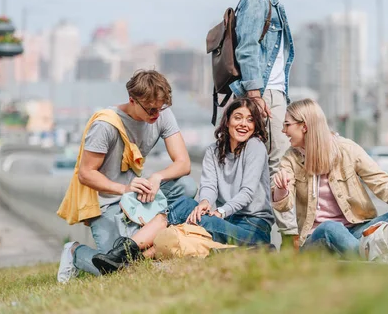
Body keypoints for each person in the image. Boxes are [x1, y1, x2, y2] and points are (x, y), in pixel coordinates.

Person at [91, 97, 275, 274]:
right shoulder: (214, 150)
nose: (244, 124)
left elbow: (247, 192)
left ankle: (122, 253)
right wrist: (204, 202)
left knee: (185, 207)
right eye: (238, 117)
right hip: (225, 222)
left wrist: (220, 212)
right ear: (227, 122)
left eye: (250, 120)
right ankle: (128, 265)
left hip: (253, 228)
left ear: (255, 126)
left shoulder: (255, 146)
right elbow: (209, 186)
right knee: (184, 225)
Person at [56, 70, 197, 282]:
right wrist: (124, 188)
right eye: (151, 109)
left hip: (136, 196)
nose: (156, 114)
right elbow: (85, 174)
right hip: (106, 201)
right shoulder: (105, 125)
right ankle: (74, 252)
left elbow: (184, 163)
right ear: (132, 100)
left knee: (186, 186)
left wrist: (157, 177)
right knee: (117, 267)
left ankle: (159, 237)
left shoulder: (161, 112)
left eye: (161, 108)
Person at [272, 99, 388, 261]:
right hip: (315, 239)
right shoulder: (290, 159)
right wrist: (282, 189)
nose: (283, 130)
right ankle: (377, 261)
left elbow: (383, 183)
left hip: (355, 232)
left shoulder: (347, 150)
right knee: (330, 227)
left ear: (304, 126)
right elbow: (283, 205)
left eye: (287, 125)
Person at [231, 0, 298, 244]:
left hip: (273, 93)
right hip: (264, 95)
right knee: (278, 163)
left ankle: (256, 237)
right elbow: (246, 48)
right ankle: (290, 238)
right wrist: (256, 96)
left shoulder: (272, 1)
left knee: (263, 165)